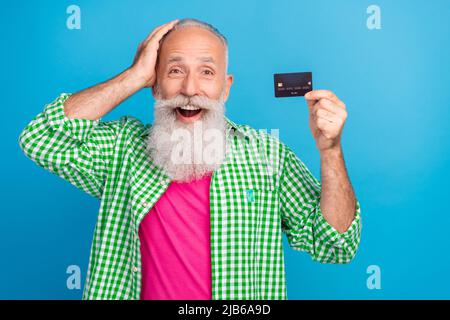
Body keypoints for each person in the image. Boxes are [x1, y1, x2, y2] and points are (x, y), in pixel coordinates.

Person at [18, 18, 362, 300]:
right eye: (175, 71)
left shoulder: (267, 155)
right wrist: (133, 75)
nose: (190, 88)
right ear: (155, 85)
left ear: (225, 88)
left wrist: (330, 151)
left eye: (207, 73)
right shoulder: (123, 149)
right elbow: (41, 138)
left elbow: (335, 244)